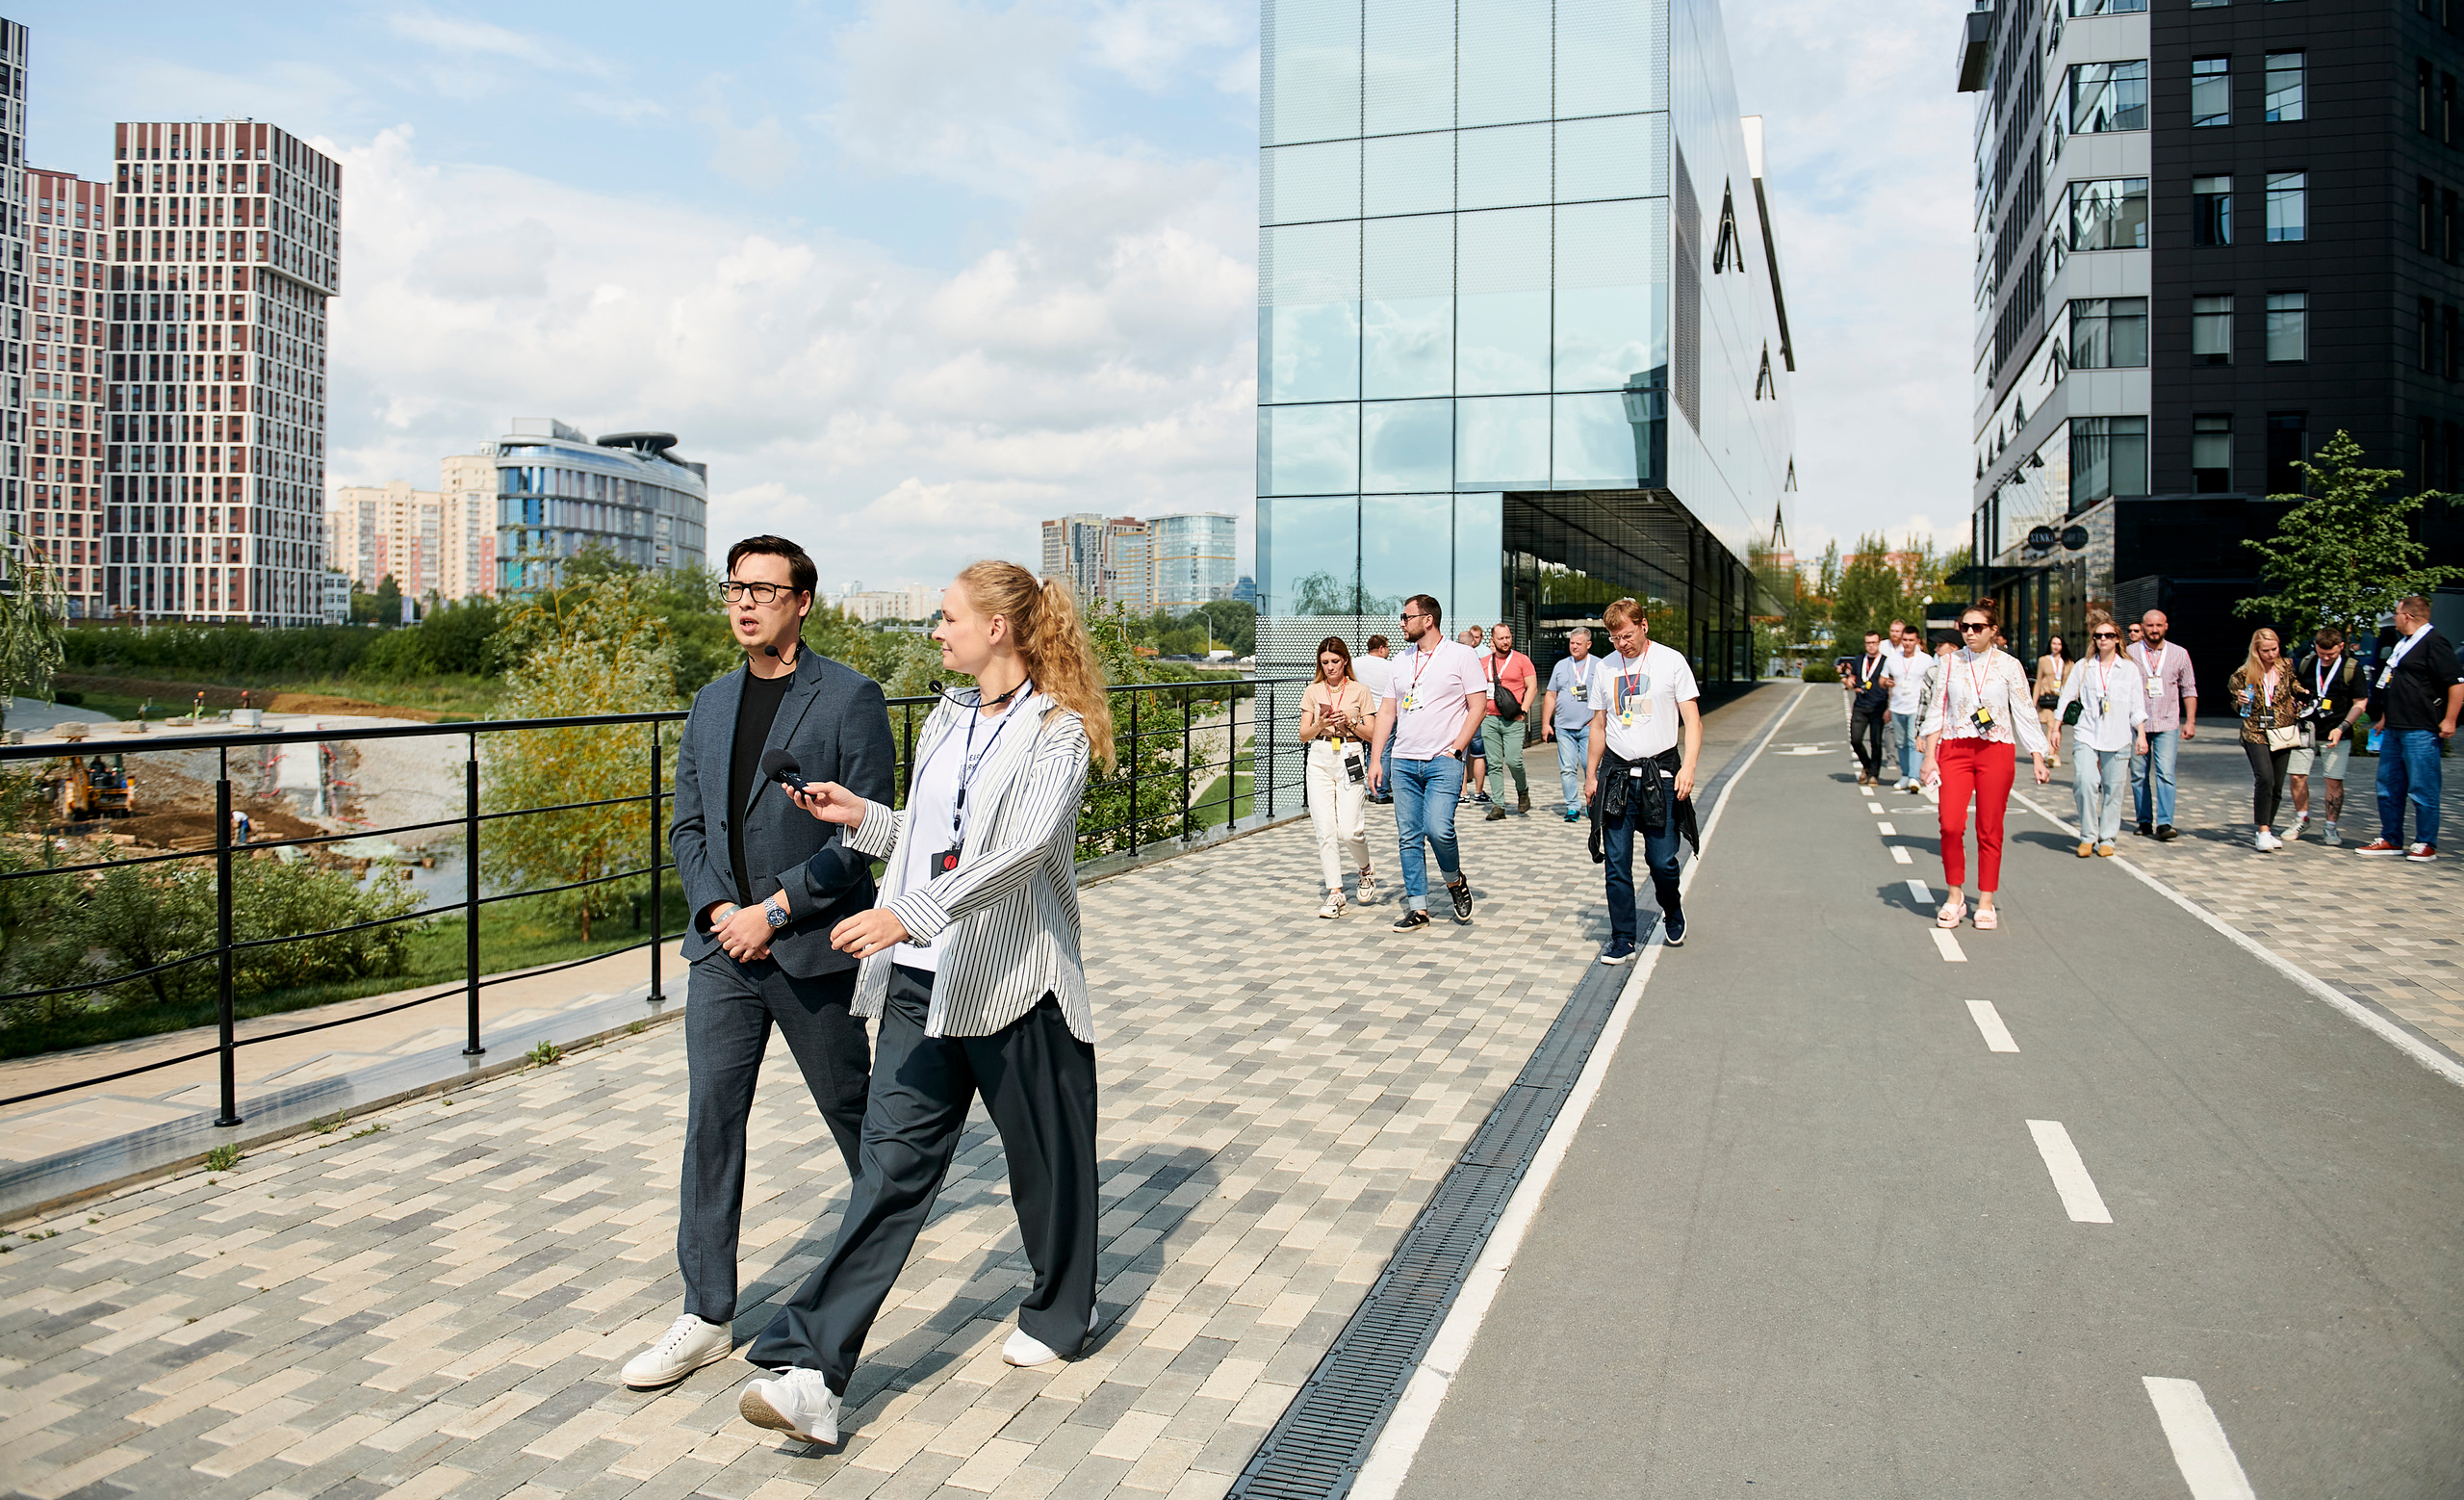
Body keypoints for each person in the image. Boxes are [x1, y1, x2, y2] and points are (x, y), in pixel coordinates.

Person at [736, 561, 1114, 1445]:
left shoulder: (1057, 735)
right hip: (920, 982)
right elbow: (936, 838)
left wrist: (902, 911)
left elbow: (1020, 851)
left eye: (947, 619)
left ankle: (1063, 1310)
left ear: (999, 629)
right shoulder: (947, 719)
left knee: (1049, 1169)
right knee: (889, 1176)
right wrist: (861, 815)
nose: (935, 633)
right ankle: (812, 1372)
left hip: (1016, 983)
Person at [629, 536, 893, 1392]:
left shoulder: (850, 697)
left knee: (858, 1117)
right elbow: (687, 828)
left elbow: (863, 839)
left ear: (803, 601)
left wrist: (771, 913)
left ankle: (880, 1243)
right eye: (735, 588)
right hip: (721, 955)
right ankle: (705, 1312)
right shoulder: (709, 703)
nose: (745, 603)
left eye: (764, 590)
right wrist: (719, 915)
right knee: (712, 1123)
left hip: (812, 951)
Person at [1917, 601, 2049, 929]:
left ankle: (1986, 899)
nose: (1970, 633)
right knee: (1950, 824)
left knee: (1989, 828)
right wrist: (1929, 756)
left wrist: (2037, 756)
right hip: (1954, 748)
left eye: (1977, 628)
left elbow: (2023, 712)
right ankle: (1955, 895)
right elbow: (1937, 710)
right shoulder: (1948, 663)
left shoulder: (2009, 666)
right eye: (1965, 627)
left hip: (1996, 750)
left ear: (1993, 631)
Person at [1583, 598, 1702, 962]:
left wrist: (1689, 767)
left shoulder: (1671, 661)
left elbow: (1693, 722)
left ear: (1644, 626)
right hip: (1617, 776)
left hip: (1661, 777)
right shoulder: (1604, 669)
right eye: (1615, 638)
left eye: (1628, 635)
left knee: (1663, 861)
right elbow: (1599, 725)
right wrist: (1591, 775)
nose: (1622, 643)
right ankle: (1623, 938)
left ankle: (1672, 907)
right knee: (1616, 862)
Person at [1370, 595, 1485, 929]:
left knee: (1439, 829)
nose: (1401, 623)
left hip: (1443, 759)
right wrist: (1377, 759)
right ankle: (1418, 908)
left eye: (1406, 617)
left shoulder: (1461, 656)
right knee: (1409, 836)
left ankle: (1454, 881)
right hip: (1404, 760)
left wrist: (1458, 749)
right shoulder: (1401, 661)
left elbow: (1477, 706)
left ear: (1428, 619)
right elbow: (1388, 711)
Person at [2355, 594, 2463, 861]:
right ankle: (2391, 839)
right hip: (2394, 727)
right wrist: (2384, 718)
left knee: (2422, 787)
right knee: (2388, 786)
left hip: (2421, 729)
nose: (2394, 619)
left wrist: (2449, 719)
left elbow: (2457, 684)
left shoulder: (2434, 643)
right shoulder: (2403, 643)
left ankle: (2426, 842)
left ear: (2408, 616)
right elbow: (2394, 682)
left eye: (2396, 614)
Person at [2055, 611, 2148, 856]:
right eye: (2098, 636)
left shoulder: (2128, 669)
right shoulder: (2084, 667)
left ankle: (2107, 837)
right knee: (2084, 782)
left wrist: (2142, 734)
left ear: (2118, 639)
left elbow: (2137, 705)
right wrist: (2055, 727)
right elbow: (2067, 697)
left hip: (2118, 736)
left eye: (2109, 635)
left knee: (2113, 788)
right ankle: (2088, 835)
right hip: (2087, 732)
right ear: (2093, 639)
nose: (2103, 639)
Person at [1299, 636, 1379, 916]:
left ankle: (1365, 868)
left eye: (1335, 661)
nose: (1330, 667)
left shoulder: (1360, 690)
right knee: (1325, 829)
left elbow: (1373, 733)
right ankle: (1335, 893)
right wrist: (1319, 724)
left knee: (1349, 829)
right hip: (1320, 757)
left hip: (1351, 755)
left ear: (1345, 660)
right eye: (1325, 663)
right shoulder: (1312, 691)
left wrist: (1351, 723)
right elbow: (1303, 735)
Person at [2227, 628, 2305, 851]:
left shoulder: (2287, 666)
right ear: (2256, 651)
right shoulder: (2243, 674)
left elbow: (2294, 687)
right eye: (2266, 651)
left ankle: (2268, 828)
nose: (2271, 654)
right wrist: (2240, 700)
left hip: (2282, 731)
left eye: (2274, 649)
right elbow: (2235, 703)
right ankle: (2262, 830)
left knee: (2277, 785)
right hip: (2256, 731)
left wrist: (2304, 695)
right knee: (2265, 777)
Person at [2287, 626, 2367, 845]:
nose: (2326, 657)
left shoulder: (2352, 668)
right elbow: (2296, 691)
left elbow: (2360, 703)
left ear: (2341, 647)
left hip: (2337, 732)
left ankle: (2331, 826)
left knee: (2333, 780)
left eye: (2331, 654)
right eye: (2322, 653)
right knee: (2296, 775)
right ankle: (2301, 818)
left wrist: (2342, 727)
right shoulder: (2307, 663)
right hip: (2306, 729)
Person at [2129, 609, 2198, 841]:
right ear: (2143, 627)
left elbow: (2189, 688)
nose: (2154, 630)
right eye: (2150, 626)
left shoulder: (2179, 654)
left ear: (2166, 626)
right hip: (2137, 723)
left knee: (2165, 773)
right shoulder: (2129, 654)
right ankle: (2144, 820)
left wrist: (2190, 721)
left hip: (2168, 722)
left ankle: (2166, 822)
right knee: (2138, 774)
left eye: (2159, 625)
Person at [1540, 626, 1603, 821]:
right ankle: (1572, 807)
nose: (1574, 647)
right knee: (1567, 768)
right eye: (1571, 643)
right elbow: (1551, 694)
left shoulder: (1599, 666)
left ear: (1588, 644)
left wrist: (1599, 720)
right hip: (1564, 727)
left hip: (1589, 727)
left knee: (1590, 767)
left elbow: (1607, 697)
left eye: (1578, 643)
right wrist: (1545, 723)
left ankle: (1593, 803)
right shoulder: (1561, 666)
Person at [1479, 622, 1539, 819]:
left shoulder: (1522, 660)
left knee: (1514, 761)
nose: (1506, 641)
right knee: (1494, 763)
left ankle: (1523, 790)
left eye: (1508, 637)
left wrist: (1523, 709)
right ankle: (1498, 805)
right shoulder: (1484, 662)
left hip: (1513, 719)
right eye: (1501, 638)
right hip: (1489, 718)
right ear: (1493, 640)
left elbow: (1532, 687)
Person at [1845, 631, 1891, 787]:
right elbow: (1852, 678)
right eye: (1868, 643)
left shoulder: (1886, 661)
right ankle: (1867, 765)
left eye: (1873, 643)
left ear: (1879, 644)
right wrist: (1850, 684)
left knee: (1876, 742)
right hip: (1861, 705)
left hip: (1879, 705)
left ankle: (1874, 775)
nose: (1871, 646)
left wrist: (1889, 708)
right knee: (1855, 739)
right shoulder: (1859, 660)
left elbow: (1891, 684)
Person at [1355, 636, 1396, 804]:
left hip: (1363, 713)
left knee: (1361, 750)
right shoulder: (1391, 666)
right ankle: (1380, 791)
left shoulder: (1355, 663)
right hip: (1385, 712)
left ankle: (1364, 786)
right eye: (1387, 648)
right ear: (1381, 648)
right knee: (1383, 751)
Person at [1886, 626, 1926, 790]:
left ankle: (1914, 778)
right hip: (1897, 707)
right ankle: (1905, 774)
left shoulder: (1926, 660)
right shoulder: (1892, 659)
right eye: (1905, 640)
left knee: (1912, 741)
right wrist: (1886, 683)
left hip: (1916, 707)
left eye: (1911, 640)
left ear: (1917, 641)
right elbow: (1883, 680)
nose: (1907, 643)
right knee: (1900, 743)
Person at [1459, 625, 1490, 805]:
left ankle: (1463, 793)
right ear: (1473, 643)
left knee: (1460, 753)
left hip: (1458, 714)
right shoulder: (1478, 661)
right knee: (1478, 754)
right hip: (1475, 713)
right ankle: (1478, 792)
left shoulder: (1451, 660)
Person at [2034, 634, 2073, 770]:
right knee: (2051, 726)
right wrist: (2034, 701)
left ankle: (2055, 754)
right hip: (2047, 698)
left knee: (2057, 727)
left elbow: (2072, 683)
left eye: (2059, 644)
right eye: (2054, 643)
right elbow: (2038, 681)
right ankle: (2051, 754)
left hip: (2061, 699)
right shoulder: (2043, 660)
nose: (2056, 647)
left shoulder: (2068, 663)